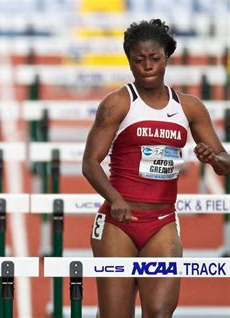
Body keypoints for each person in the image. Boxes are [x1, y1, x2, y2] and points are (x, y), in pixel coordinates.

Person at [82, 19, 230, 318]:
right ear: (129, 61)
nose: (147, 66)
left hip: (162, 222)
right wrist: (115, 199)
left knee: (160, 313)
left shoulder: (189, 107)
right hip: (117, 224)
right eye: (139, 60)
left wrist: (214, 159)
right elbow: (90, 163)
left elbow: (225, 164)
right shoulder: (117, 103)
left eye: (155, 59)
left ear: (167, 58)